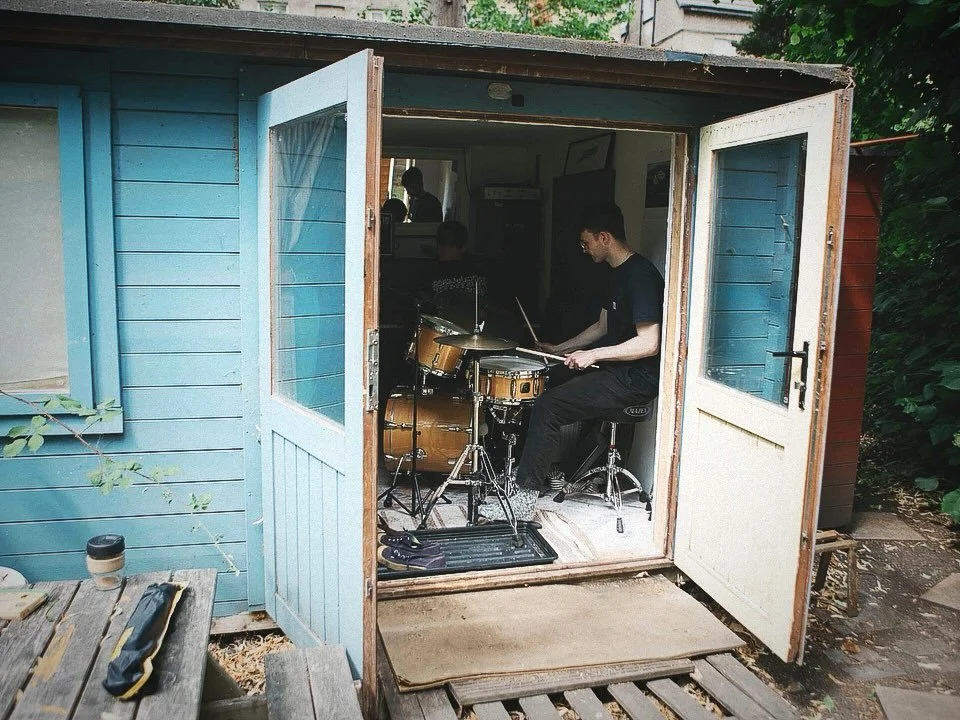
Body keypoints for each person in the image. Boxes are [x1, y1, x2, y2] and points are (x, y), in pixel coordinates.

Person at [481, 203, 664, 522]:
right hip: (615, 371)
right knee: (545, 381)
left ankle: (523, 502)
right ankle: (551, 470)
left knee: (549, 406)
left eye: (586, 241)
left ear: (604, 238)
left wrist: (593, 355)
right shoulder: (616, 273)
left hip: (635, 379)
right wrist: (558, 349)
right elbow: (601, 327)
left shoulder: (641, 276)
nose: (583, 248)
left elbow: (649, 343)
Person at [417, 220, 488, 329]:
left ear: (437, 244)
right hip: (476, 334)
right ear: (464, 247)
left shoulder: (427, 274)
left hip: (440, 337)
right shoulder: (480, 273)